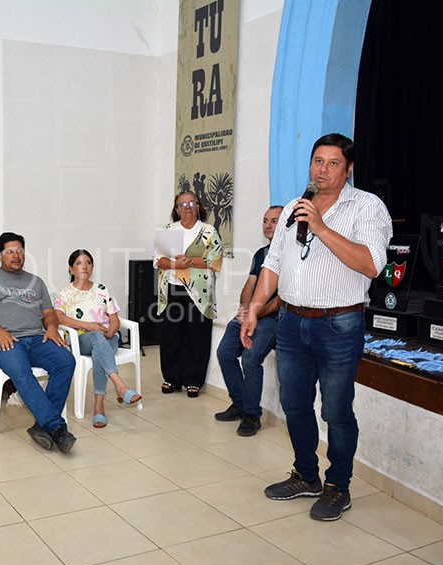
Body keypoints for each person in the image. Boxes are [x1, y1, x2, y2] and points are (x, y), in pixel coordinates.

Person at [242, 133, 392, 521]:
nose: (322, 170)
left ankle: (337, 485)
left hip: (339, 325)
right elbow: (272, 264)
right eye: (317, 162)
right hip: (291, 322)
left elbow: (371, 264)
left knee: (337, 411)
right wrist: (256, 308)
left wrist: (322, 228)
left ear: (349, 168)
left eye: (333, 163)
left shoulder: (367, 207)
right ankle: (306, 474)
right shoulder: (295, 206)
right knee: (294, 404)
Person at [0, 232, 77, 453]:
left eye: (20, 251)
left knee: (66, 361)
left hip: (37, 338)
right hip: (6, 341)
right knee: (21, 370)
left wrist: (53, 327)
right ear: (0, 255)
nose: (16, 256)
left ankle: (41, 426)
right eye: (10, 252)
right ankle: (56, 427)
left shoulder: (36, 282)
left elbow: (48, 313)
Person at [215, 205, 283, 436]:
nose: (268, 225)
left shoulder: (291, 255)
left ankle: (252, 415)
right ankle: (240, 404)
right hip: (253, 314)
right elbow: (250, 286)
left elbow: (280, 300)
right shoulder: (261, 254)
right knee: (224, 352)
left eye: (274, 221)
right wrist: (244, 310)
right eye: (265, 220)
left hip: (273, 319)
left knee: (251, 358)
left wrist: (255, 315)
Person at [53, 249, 141, 428]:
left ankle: (99, 406)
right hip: (81, 340)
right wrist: (89, 326)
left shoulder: (101, 289)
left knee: (99, 348)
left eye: (88, 262)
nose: (84, 266)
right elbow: (59, 318)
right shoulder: (64, 293)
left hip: (108, 339)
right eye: (79, 263)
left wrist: (111, 331)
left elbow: (114, 319)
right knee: (95, 337)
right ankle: (119, 385)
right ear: (71, 269)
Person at [153, 191, 223, 397]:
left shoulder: (209, 231)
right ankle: (171, 378)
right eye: (182, 204)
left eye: (192, 203)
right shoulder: (167, 230)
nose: (187, 207)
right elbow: (158, 259)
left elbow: (215, 260)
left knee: (197, 337)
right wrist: (175, 264)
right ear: (176, 209)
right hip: (172, 289)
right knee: (170, 336)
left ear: (198, 206)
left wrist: (189, 262)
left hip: (199, 294)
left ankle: (194, 381)